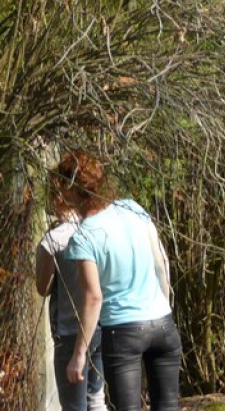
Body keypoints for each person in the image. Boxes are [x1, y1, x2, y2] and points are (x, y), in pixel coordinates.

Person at [52, 149, 182, 411]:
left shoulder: (84, 237)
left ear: (71, 189)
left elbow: (93, 297)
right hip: (163, 324)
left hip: (123, 333)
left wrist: (78, 355)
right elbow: (161, 263)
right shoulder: (132, 208)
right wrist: (163, 309)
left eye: (60, 188)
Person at [35, 182, 106, 411]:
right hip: (98, 326)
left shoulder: (52, 240)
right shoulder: (95, 230)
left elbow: (43, 288)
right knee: (96, 400)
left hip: (69, 333)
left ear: (57, 198)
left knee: (74, 406)